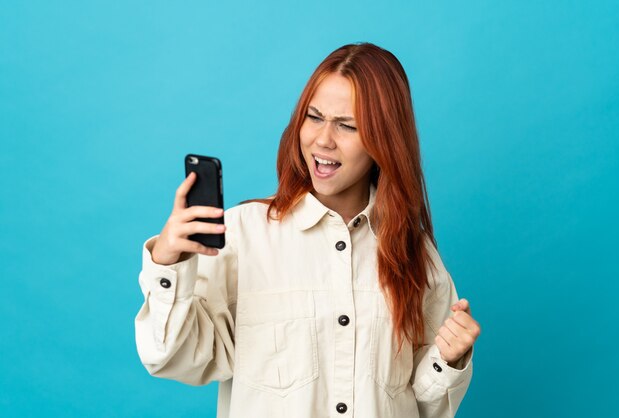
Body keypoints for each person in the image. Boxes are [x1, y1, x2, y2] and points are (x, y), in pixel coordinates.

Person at [135, 42, 480, 418]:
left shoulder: (414, 252)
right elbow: (171, 356)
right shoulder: (243, 235)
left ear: (385, 140)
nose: (322, 140)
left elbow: (423, 408)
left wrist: (448, 359)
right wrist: (168, 263)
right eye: (314, 117)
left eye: (347, 125)